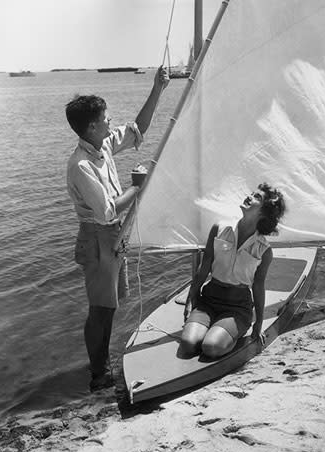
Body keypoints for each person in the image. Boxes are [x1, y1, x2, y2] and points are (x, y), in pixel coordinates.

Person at [66, 66, 169, 392]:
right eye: (107, 118)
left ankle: (102, 365)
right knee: (100, 309)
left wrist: (158, 89)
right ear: (94, 125)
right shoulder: (81, 165)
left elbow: (138, 128)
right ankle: (99, 375)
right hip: (98, 240)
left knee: (108, 307)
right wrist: (138, 185)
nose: (112, 121)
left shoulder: (103, 145)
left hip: (112, 237)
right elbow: (108, 209)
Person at [180, 183, 286, 359]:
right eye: (251, 193)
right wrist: (192, 297)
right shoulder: (219, 229)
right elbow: (205, 265)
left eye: (257, 197)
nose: (249, 196)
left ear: (264, 212)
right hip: (209, 299)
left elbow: (258, 287)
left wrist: (258, 322)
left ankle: (226, 331)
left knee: (211, 347)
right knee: (188, 345)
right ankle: (214, 328)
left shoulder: (264, 250)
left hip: (237, 307)